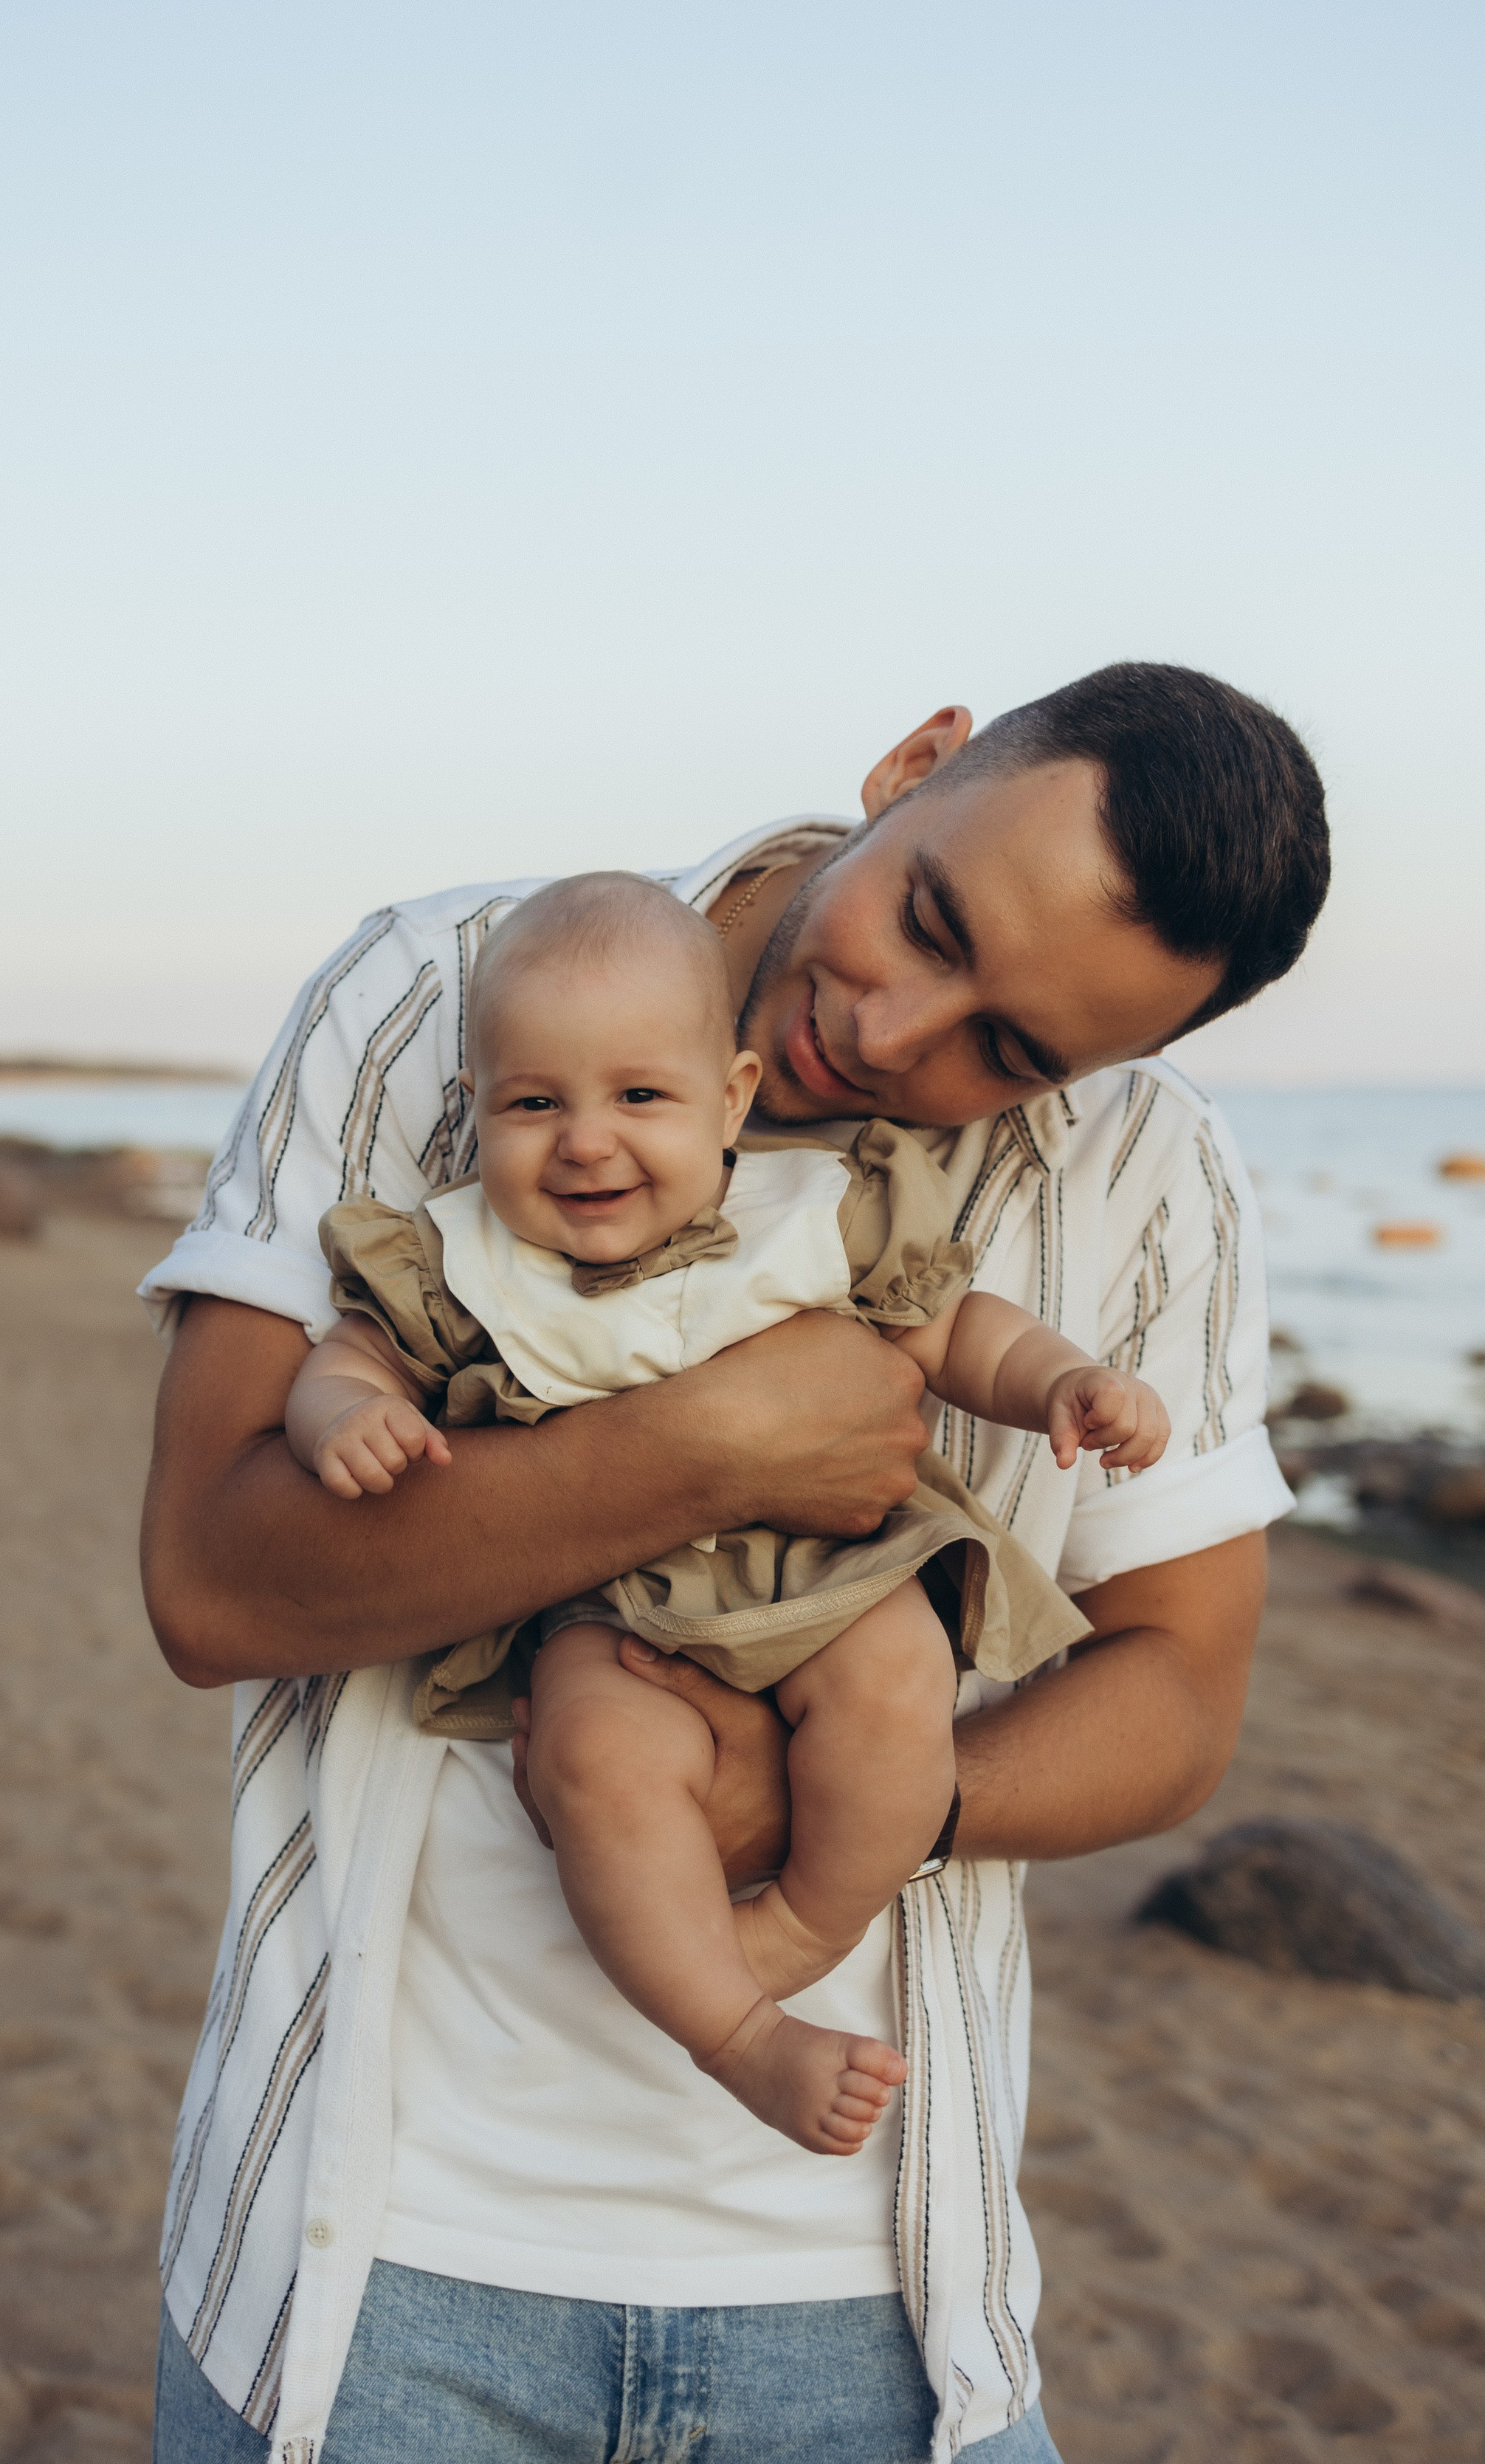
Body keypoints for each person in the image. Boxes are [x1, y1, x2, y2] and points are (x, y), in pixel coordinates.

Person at [139, 664, 1329, 2464]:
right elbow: (212, 1587)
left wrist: (849, 1796)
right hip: (372, 2282)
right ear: (915, 763)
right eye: (921, 918)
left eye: (1011, 1049)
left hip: (877, 2320)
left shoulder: (1143, 1169)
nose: (902, 1033)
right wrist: (699, 1449)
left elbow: (1176, 1700)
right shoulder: (436, 991)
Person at [283, 870, 1168, 2158]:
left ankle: (807, 1924)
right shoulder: (457, 1258)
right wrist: (342, 1417)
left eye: (642, 1096)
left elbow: (954, 1327)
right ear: (478, 1113)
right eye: (537, 1104)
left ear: (733, 1099)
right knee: (589, 1755)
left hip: (833, 1570)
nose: (587, 1141)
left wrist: (1062, 1384)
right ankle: (742, 2037)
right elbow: (355, 1360)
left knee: (897, 1682)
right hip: (610, 1599)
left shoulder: (814, 1209)